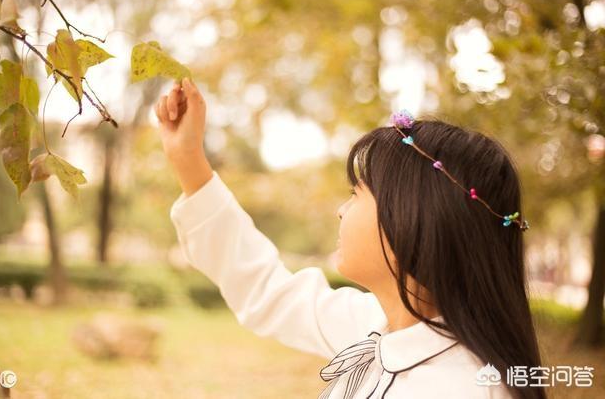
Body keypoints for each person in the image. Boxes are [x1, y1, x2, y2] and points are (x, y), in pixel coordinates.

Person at [154, 77, 546, 399]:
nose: (341, 210)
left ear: (412, 217)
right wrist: (187, 158)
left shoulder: (461, 388)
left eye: (356, 193)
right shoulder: (375, 326)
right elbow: (268, 290)